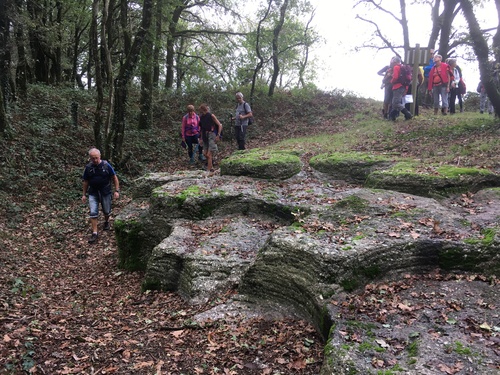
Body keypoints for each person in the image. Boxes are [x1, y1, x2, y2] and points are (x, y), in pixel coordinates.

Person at [82, 148, 120, 244]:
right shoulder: (88, 168)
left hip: (105, 191)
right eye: (92, 158)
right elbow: (85, 181)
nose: (95, 160)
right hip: (93, 192)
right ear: (90, 158)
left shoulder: (106, 166)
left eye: (96, 158)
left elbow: (114, 177)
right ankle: (95, 233)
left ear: (100, 156)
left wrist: (117, 190)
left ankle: (106, 221)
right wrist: (84, 194)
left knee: (106, 211)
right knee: (93, 212)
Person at [199, 104, 223, 173]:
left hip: (212, 135)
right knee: (205, 154)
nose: (201, 113)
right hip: (204, 135)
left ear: (205, 110)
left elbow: (220, 125)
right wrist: (200, 138)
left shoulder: (211, 116)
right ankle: (211, 167)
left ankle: (209, 170)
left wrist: (218, 135)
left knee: (209, 154)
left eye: (201, 111)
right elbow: (201, 128)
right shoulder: (201, 117)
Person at [389, 56, 412, 121]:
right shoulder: (404, 68)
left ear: (395, 62)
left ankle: (407, 114)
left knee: (396, 103)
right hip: (403, 87)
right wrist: (406, 88)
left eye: (392, 61)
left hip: (397, 87)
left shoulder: (396, 67)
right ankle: (392, 117)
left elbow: (395, 77)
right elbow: (408, 80)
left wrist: (391, 81)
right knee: (395, 102)